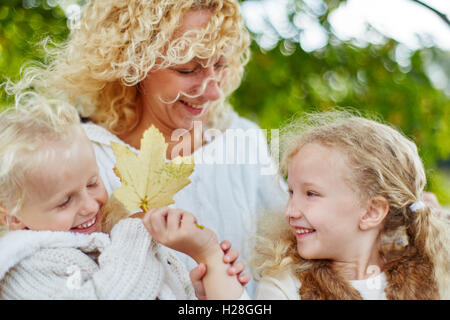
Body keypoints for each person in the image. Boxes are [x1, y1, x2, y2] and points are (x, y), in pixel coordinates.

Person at [7, 0, 288, 296]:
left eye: (219, 65)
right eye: (188, 69)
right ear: (132, 62)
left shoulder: (243, 139)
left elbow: (298, 253)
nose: (214, 90)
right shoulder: (83, 159)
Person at [0, 96, 247, 299]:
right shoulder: (25, 267)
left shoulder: (99, 237)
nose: (89, 206)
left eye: (93, 183)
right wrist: (135, 231)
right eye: (64, 201)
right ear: (12, 216)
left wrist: (191, 293)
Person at [250, 110, 450, 299]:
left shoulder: (435, 279)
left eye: (311, 194)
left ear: (371, 212)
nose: (289, 211)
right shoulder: (284, 287)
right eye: (291, 192)